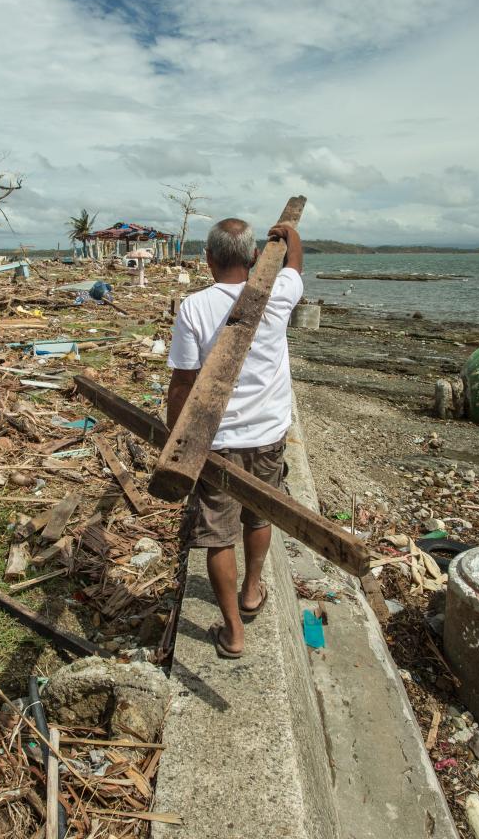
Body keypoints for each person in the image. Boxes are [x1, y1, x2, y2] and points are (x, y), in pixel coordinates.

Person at [166, 217, 304, 658]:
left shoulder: (194, 308)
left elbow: (183, 382)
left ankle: (233, 633)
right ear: (252, 258)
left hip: (216, 441)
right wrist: (290, 237)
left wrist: (177, 440)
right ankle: (252, 590)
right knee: (260, 514)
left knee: (216, 533)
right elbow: (295, 267)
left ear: (208, 260)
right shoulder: (277, 295)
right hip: (268, 433)